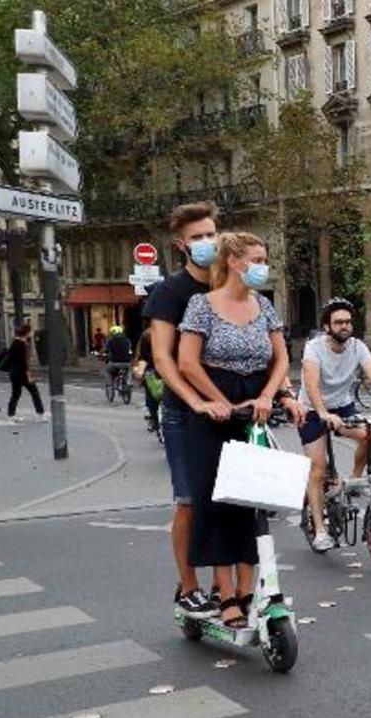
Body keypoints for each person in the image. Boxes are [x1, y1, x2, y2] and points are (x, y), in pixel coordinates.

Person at [177, 232, 292, 628]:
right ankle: (225, 593)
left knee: (251, 501)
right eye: (257, 259)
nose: (263, 266)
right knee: (216, 503)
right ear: (233, 261)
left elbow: (281, 359)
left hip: (254, 406)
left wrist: (269, 395)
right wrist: (216, 401)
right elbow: (187, 363)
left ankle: (248, 589)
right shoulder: (201, 305)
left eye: (264, 258)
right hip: (214, 409)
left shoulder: (263, 305)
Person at [144, 202, 229, 617]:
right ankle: (188, 585)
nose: (206, 242)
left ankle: (223, 587)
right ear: (181, 245)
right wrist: (194, 400)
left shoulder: (227, 286)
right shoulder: (169, 292)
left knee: (227, 500)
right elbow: (163, 358)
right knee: (190, 501)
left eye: (211, 234)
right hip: (183, 413)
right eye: (197, 237)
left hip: (227, 410)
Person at [299, 297, 371, 552]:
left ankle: (353, 482)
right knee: (318, 469)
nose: (345, 326)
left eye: (348, 322)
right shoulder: (314, 348)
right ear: (327, 326)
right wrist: (323, 413)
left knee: (369, 436)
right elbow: (312, 384)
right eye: (338, 322)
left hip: (343, 405)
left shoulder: (358, 347)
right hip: (312, 410)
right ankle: (319, 530)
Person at [5, 322, 45, 420]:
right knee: (34, 392)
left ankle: (11, 414)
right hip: (22, 373)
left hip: (14, 372)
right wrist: (29, 376)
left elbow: (11, 358)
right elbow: (25, 362)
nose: (31, 333)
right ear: (27, 332)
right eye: (30, 331)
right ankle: (40, 414)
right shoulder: (24, 344)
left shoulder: (14, 342)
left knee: (16, 394)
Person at [132, 325, 161, 432]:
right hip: (154, 372)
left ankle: (155, 420)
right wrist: (139, 371)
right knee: (151, 397)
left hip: (161, 371)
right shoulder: (147, 335)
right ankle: (154, 420)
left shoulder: (147, 335)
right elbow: (143, 357)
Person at [102, 325, 133, 393]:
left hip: (114, 362)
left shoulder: (110, 341)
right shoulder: (127, 340)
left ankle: (109, 386)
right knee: (129, 370)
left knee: (108, 371)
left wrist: (103, 355)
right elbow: (130, 351)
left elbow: (106, 350)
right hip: (126, 362)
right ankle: (128, 382)